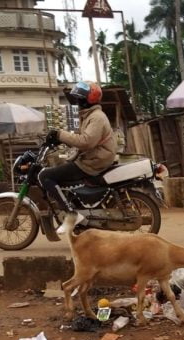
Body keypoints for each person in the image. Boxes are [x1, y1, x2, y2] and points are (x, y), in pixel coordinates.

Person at [40, 81, 115, 233]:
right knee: (62, 167)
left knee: (45, 176)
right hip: (93, 157)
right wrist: (63, 143)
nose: (77, 102)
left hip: (94, 161)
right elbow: (82, 141)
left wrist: (60, 134)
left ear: (88, 100)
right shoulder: (89, 116)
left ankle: (71, 214)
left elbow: (86, 142)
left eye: (79, 99)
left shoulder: (96, 118)